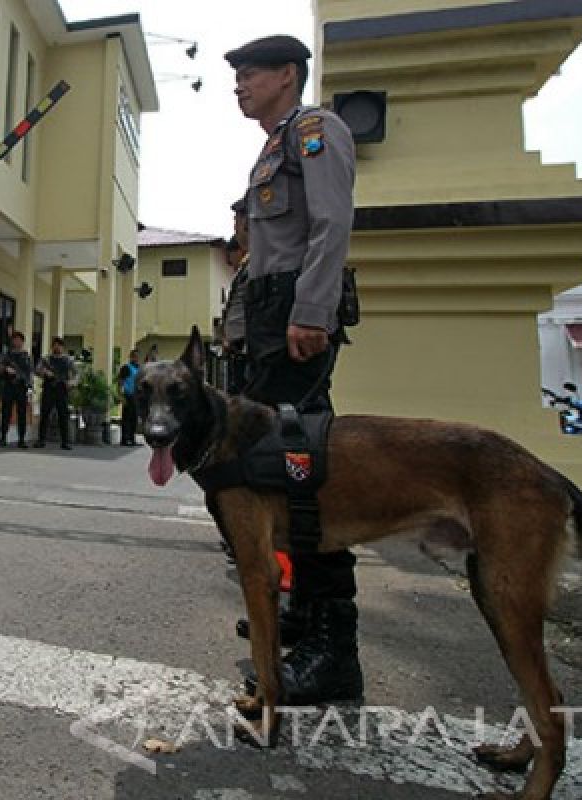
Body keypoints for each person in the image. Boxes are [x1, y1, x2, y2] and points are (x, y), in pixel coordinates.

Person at [226, 34, 360, 705]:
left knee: (299, 470)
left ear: (288, 73)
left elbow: (331, 225)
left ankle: (335, 648)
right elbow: (261, 256)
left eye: (250, 73)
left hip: (297, 318)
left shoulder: (316, 131)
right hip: (270, 320)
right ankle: (302, 613)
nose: (239, 84)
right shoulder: (273, 146)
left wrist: (312, 311)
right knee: (279, 470)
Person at [220, 197, 251, 396]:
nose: (235, 227)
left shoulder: (260, 266)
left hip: (249, 352)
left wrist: (233, 340)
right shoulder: (249, 267)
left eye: (236, 220)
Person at [33, 336, 76, 450]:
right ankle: (41, 440)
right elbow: (36, 370)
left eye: (59, 345)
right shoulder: (46, 359)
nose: (57, 347)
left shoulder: (68, 360)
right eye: (55, 345)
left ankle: (65, 442)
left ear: (63, 347)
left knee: (63, 416)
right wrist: (45, 372)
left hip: (62, 389)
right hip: (49, 389)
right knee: (45, 415)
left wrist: (72, 382)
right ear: (52, 347)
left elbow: (77, 374)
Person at [0, 330, 32, 447]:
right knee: (6, 412)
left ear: (22, 342)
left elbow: (30, 372)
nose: (17, 342)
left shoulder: (26, 356)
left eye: (19, 340)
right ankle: (3, 437)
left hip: (21, 387)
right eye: (15, 339)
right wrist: (6, 369)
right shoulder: (6, 355)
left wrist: (30, 387)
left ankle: (21, 439)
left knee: (22, 414)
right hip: (8, 385)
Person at [117, 349, 141, 446]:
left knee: (134, 418)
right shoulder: (126, 368)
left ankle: (132, 438)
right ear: (131, 357)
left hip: (136, 396)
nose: (136, 358)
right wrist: (120, 395)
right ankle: (124, 439)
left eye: (137, 356)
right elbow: (120, 381)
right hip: (128, 395)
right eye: (134, 356)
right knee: (126, 418)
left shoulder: (139, 368)